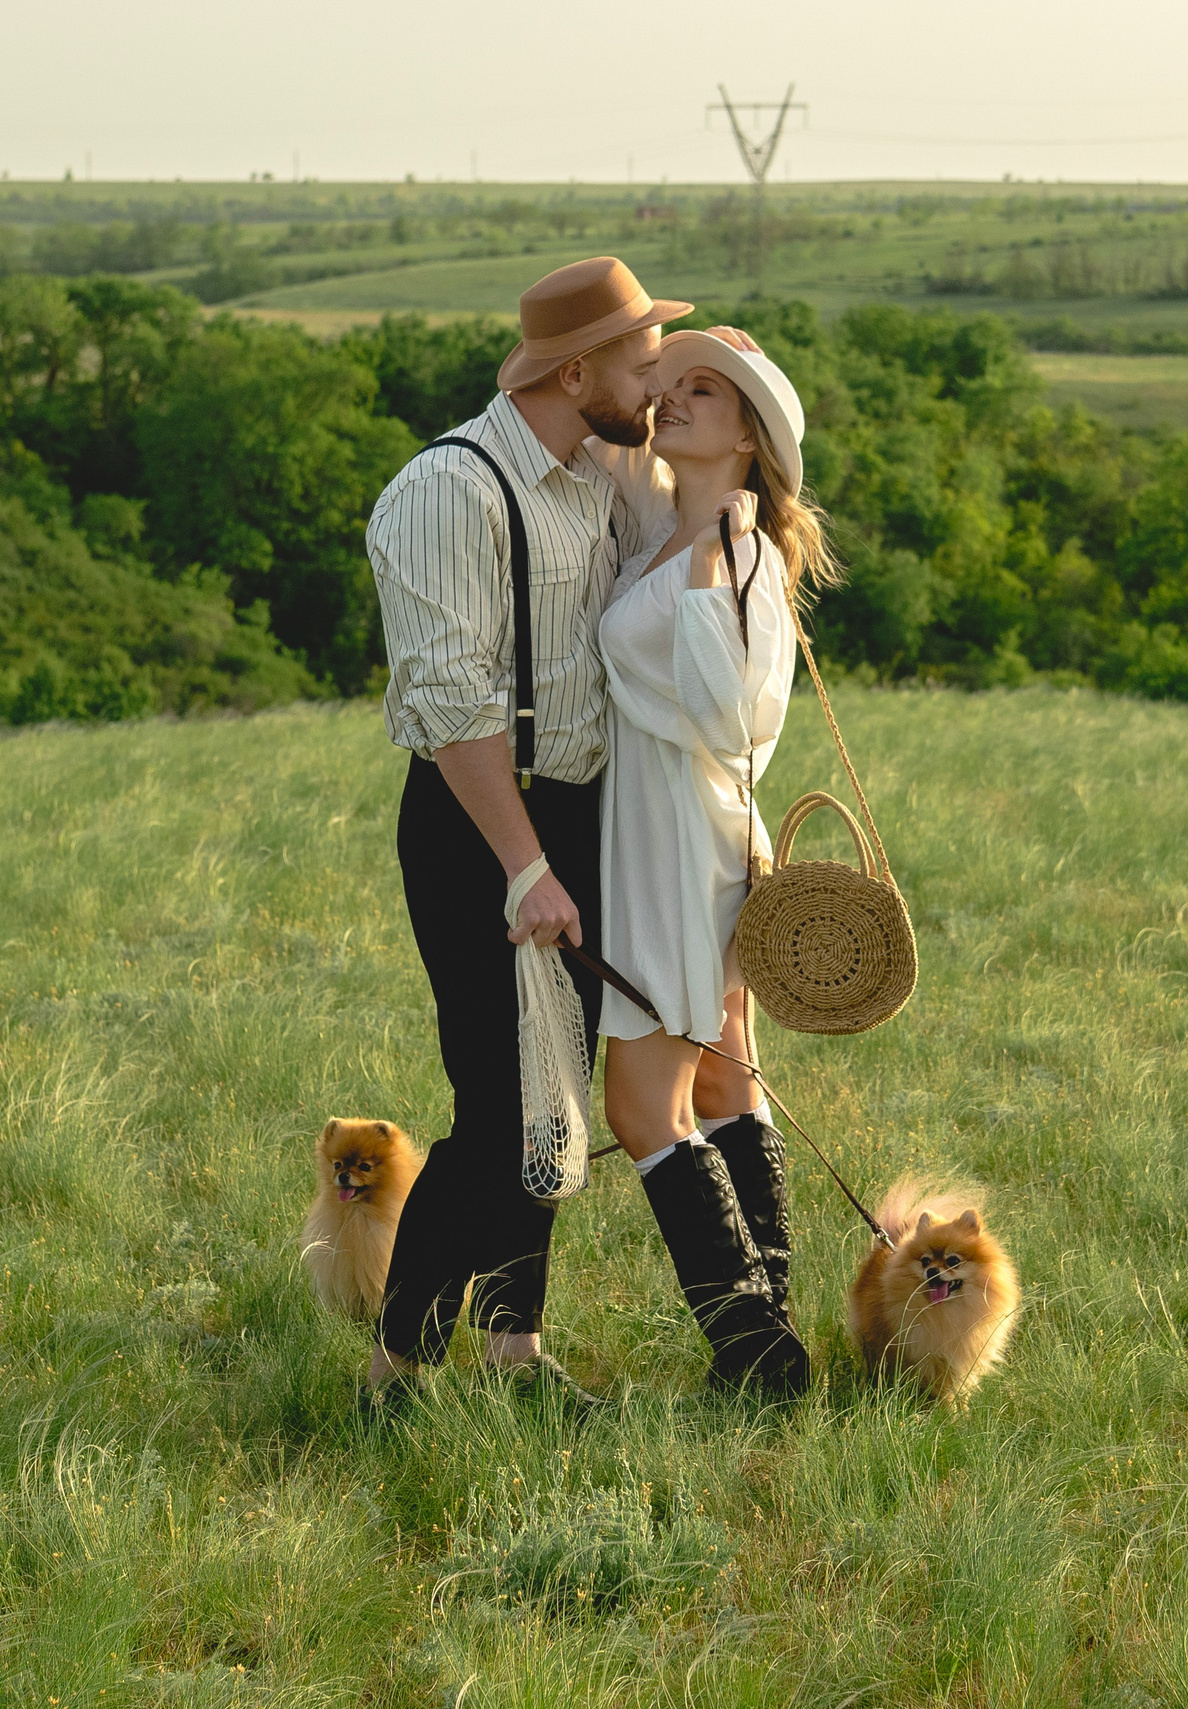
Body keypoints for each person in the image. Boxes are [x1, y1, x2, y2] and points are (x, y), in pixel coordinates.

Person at [359, 256, 686, 1408]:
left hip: (578, 814)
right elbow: (452, 703)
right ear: (576, 371)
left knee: (554, 1098)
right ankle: (395, 1367)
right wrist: (525, 865)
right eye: (643, 363)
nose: (655, 384)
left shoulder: (597, 469)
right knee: (498, 1110)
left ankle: (514, 1348)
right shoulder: (449, 488)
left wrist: (723, 378)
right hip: (483, 825)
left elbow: (706, 476)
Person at [598, 328, 840, 1395]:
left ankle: (751, 1345)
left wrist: (705, 572)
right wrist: (658, 361)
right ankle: (769, 1330)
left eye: (707, 391)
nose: (677, 399)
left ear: (749, 436)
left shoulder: (740, 557)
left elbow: (733, 721)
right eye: (674, 386)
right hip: (665, 834)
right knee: (723, 1071)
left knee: (642, 1106)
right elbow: (604, 416)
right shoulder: (663, 526)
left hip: (681, 847)